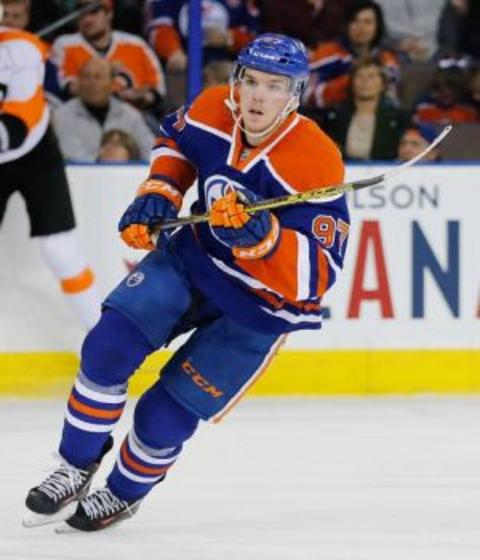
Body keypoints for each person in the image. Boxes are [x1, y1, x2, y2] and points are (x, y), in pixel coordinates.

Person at [23, 33, 350, 532]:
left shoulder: (316, 160)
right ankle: (75, 463)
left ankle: (122, 493)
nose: (258, 96)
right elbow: (176, 141)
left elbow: (318, 275)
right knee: (107, 348)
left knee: (163, 416)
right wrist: (159, 193)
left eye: (275, 86)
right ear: (237, 80)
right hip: (192, 261)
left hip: (259, 306)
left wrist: (261, 240)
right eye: (251, 81)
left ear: (295, 95)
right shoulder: (215, 106)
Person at [0, 5, 101, 331]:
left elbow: (19, 122)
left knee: (60, 249)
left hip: (35, 156)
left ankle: (103, 341)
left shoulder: (23, 50)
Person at [50, 0, 166, 114]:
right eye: (81, 13)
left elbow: (158, 88)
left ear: (109, 13)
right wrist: (118, 93)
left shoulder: (136, 44)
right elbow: (66, 87)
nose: (87, 19)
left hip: (136, 115)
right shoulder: (65, 45)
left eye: (94, 11)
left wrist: (142, 98)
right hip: (84, 117)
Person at [52, 57, 154, 161]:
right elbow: (68, 153)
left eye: (98, 77)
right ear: (78, 82)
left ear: (112, 84)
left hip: (125, 175)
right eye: (86, 77)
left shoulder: (129, 114)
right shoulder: (62, 114)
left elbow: (151, 151)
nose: (92, 83)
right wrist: (103, 161)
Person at [304, 0, 400, 110]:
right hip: (329, 117)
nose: (361, 27)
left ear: (377, 27)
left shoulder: (387, 59)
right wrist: (351, 81)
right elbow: (307, 96)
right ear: (347, 25)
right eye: (355, 21)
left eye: (367, 22)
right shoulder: (329, 53)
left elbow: (391, 100)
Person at [321, 58, 408, 161]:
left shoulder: (398, 119)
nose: (365, 81)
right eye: (359, 76)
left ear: (383, 84)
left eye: (371, 76)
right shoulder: (334, 117)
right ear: (352, 82)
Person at [146, 0, 260, 72]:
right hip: (182, 69)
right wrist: (172, 51)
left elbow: (254, 37)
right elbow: (159, 26)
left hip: (226, 66)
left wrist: (230, 38)